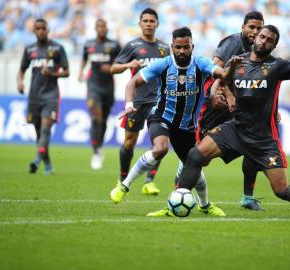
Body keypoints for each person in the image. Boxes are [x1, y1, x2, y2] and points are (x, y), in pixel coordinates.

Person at [168, 25, 290, 218]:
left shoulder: (278, 66)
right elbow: (222, 79)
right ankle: (178, 201)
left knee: (282, 190)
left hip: (264, 138)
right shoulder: (239, 61)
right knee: (195, 155)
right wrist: (220, 94)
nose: (264, 41)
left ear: (274, 45)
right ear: (255, 38)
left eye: (270, 40)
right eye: (262, 36)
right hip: (236, 128)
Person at [110, 26, 242, 217]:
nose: (182, 51)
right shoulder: (163, 64)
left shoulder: (201, 64)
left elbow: (223, 76)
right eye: (178, 47)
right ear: (172, 46)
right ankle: (124, 186)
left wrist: (231, 70)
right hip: (161, 117)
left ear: (192, 46)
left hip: (186, 126)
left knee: (194, 164)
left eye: (186, 47)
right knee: (160, 148)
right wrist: (129, 104)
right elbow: (133, 82)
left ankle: (205, 206)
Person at [195, 10, 266, 211]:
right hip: (217, 106)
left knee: (253, 147)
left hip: (240, 108)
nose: (255, 31)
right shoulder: (232, 43)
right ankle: (179, 192)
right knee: (198, 156)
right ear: (243, 27)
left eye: (259, 28)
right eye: (251, 27)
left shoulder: (262, 50)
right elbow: (214, 70)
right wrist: (226, 93)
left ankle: (247, 197)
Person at [110, 8, 170, 195]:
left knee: (160, 142)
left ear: (157, 24)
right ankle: (123, 178)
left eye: (152, 21)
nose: (149, 24)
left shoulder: (165, 49)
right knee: (129, 142)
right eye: (145, 21)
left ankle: (149, 181)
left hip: (158, 102)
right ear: (140, 23)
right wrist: (128, 65)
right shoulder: (132, 45)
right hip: (136, 102)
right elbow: (113, 68)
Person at [17, 18, 69, 175]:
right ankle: (48, 165)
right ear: (34, 31)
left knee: (46, 130)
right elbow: (21, 70)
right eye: (37, 28)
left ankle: (37, 160)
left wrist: (52, 73)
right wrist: (19, 83)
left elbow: (67, 71)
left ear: (48, 30)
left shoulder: (57, 48)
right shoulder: (29, 49)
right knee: (39, 133)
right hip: (34, 96)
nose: (40, 31)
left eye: (43, 28)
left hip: (51, 95)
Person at [78, 18, 121, 170]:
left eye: (104, 26)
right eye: (99, 26)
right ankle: (95, 151)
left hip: (108, 87)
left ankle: (99, 146)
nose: (101, 29)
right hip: (93, 86)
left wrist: (110, 68)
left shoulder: (114, 45)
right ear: (95, 28)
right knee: (96, 116)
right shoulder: (89, 44)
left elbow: (120, 63)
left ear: (106, 28)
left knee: (103, 120)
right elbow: (84, 59)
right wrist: (80, 72)